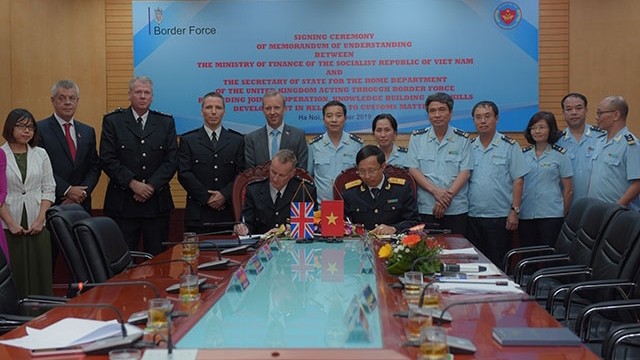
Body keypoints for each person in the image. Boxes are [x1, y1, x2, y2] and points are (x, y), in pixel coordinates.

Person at [100, 76, 178, 255]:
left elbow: (172, 159)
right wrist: (133, 184)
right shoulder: (113, 121)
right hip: (123, 203)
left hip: (156, 204)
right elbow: (107, 158)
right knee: (123, 261)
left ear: (152, 97)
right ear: (129, 95)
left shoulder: (165, 122)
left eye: (147, 93)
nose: (142, 96)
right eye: (138, 92)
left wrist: (150, 186)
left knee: (159, 261)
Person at [0, 109, 56, 297]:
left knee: (40, 273)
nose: (27, 131)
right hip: (9, 224)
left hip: (37, 221)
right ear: (10, 127)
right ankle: (15, 318)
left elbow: (48, 188)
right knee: (15, 275)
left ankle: (42, 317)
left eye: (31, 127)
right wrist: (11, 223)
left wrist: (41, 219)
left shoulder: (41, 154)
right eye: (22, 126)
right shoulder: (1, 154)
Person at [466, 101, 528, 265]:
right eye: (478, 117)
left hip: (500, 217)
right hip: (473, 215)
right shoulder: (469, 146)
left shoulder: (509, 146)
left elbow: (518, 180)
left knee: (498, 263)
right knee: (476, 263)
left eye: (487, 116)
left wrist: (514, 210)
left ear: (497, 118)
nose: (483, 121)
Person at [178, 92, 245, 234]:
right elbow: (184, 174)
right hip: (198, 215)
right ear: (202, 111)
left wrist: (224, 195)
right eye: (209, 107)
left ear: (224, 111)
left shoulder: (237, 140)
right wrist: (207, 198)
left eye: (218, 108)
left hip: (228, 214)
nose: (213, 112)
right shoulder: (188, 140)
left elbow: (241, 174)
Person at [406, 92, 472, 235]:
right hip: (426, 207)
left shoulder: (463, 138)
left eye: (442, 110)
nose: (437, 114)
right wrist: (435, 192)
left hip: (456, 208)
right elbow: (413, 169)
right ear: (428, 114)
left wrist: (445, 198)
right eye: (432, 111)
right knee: (428, 253)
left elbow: (465, 171)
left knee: (457, 253)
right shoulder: (417, 138)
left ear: (450, 113)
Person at [37, 80, 101, 213]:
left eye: (72, 98)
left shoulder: (87, 131)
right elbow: (40, 167)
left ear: (77, 101)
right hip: (53, 202)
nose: (67, 102)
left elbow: (94, 166)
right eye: (62, 98)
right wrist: (67, 190)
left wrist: (81, 193)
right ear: (53, 100)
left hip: (82, 203)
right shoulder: (39, 129)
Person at [519, 111, 573, 247]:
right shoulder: (522, 155)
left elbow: (568, 189)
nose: (537, 131)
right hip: (526, 213)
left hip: (552, 215)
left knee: (550, 256)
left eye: (542, 127)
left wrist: (562, 213)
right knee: (528, 255)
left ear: (551, 129)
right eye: (533, 127)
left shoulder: (560, 155)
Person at [234, 149, 317, 235]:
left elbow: (312, 225)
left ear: (292, 173)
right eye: (273, 172)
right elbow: (247, 222)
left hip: (292, 245)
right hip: (261, 245)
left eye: (281, 175)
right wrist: (243, 229)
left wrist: (288, 231)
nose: (275, 178)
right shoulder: (254, 190)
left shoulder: (305, 191)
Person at [341, 145, 419, 235]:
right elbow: (342, 223)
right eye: (361, 171)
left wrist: (395, 229)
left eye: (371, 170)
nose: (367, 176)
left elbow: (414, 222)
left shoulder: (401, 189)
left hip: (393, 244)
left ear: (383, 166)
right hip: (361, 244)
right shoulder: (350, 192)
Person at [588, 95, 640, 210]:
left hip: (619, 214)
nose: (597, 117)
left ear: (616, 115)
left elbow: (637, 183)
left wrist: (617, 207)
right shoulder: (600, 141)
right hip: (597, 211)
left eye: (600, 113)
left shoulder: (630, 145)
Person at [307, 100, 364, 202]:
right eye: (329, 116)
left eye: (338, 115)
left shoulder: (356, 145)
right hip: (322, 207)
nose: (334, 120)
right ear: (324, 119)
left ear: (345, 119)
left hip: (350, 205)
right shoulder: (314, 146)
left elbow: (362, 175)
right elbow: (309, 178)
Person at [556, 93, 604, 205]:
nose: (574, 112)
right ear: (563, 113)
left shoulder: (602, 138)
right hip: (567, 207)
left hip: (598, 207)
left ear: (586, 110)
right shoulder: (557, 141)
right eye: (569, 109)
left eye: (579, 108)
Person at [244, 90, 308, 169]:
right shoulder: (252, 139)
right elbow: (251, 171)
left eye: (277, 108)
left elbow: (301, 169)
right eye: (268, 108)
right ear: (263, 110)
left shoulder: (298, 136)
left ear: (285, 109)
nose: (272, 112)